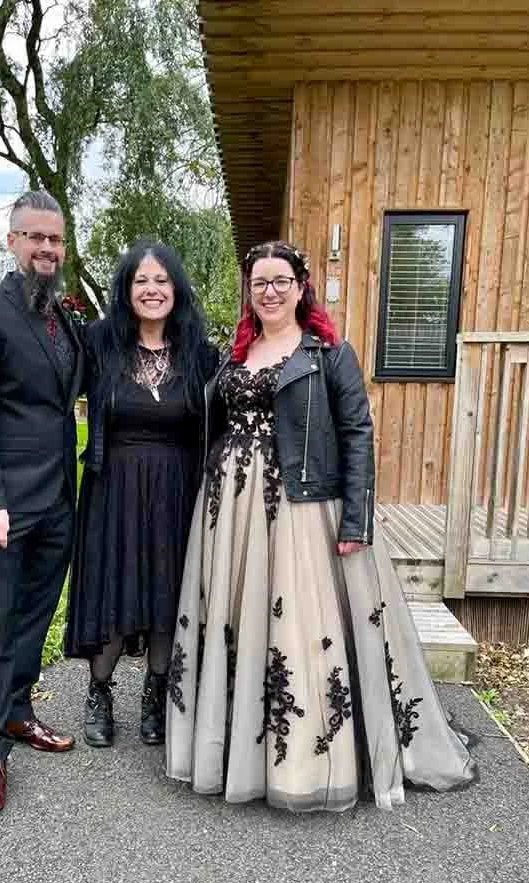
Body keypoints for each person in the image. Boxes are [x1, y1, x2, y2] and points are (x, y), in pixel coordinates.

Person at [166, 240, 476, 812]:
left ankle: (308, 762)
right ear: (250, 291)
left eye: (281, 280)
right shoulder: (236, 352)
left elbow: (358, 434)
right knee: (240, 619)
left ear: (302, 286)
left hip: (300, 505)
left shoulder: (329, 353)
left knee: (299, 627)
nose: (270, 292)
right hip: (230, 511)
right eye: (260, 283)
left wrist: (356, 517)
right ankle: (235, 748)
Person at [0, 191, 84, 817]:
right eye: (35, 238)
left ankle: (19, 713)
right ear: (12, 241)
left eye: (55, 240)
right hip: (4, 506)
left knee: (35, 617)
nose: (47, 250)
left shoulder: (63, 321)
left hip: (57, 500)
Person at [65, 239, 218, 748]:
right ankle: (99, 692)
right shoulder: (99, 343)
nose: (152, 290)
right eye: (141, 281)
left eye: (161, 280)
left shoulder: (201, 353)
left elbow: (221, 425)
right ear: (126, 290)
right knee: (114, 586)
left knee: (164, 591)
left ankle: (156, 695)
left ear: (176, 289)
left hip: (177, 488)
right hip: (114, 487)